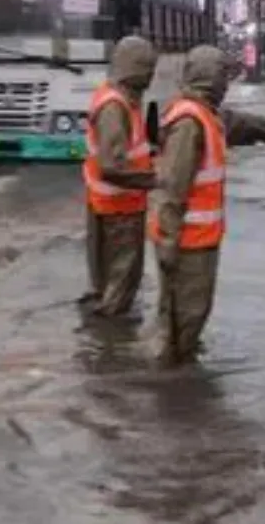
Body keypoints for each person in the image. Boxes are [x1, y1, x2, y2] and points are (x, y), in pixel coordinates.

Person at [149, 45, 265, 365]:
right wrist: (167, 241)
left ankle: (173, 371)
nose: (226, 84)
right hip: (187, 242)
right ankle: (170, 382)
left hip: (197, 240)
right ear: (211, 77)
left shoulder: (206, 115)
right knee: (185, 315)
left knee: (187, 314)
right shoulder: (190, 121)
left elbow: (241, 125)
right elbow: (173, 189)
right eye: (223, 76)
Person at [81, 36, 160, 318]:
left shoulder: (116, 98)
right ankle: (108, 347)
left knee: (108, 283)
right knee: (121, 286)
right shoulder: (116, 107)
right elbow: (111, 167)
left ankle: (99, 336)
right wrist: (155, 180)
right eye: (148, 68)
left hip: (108, 206)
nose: (152, 75)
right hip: (120, 211)